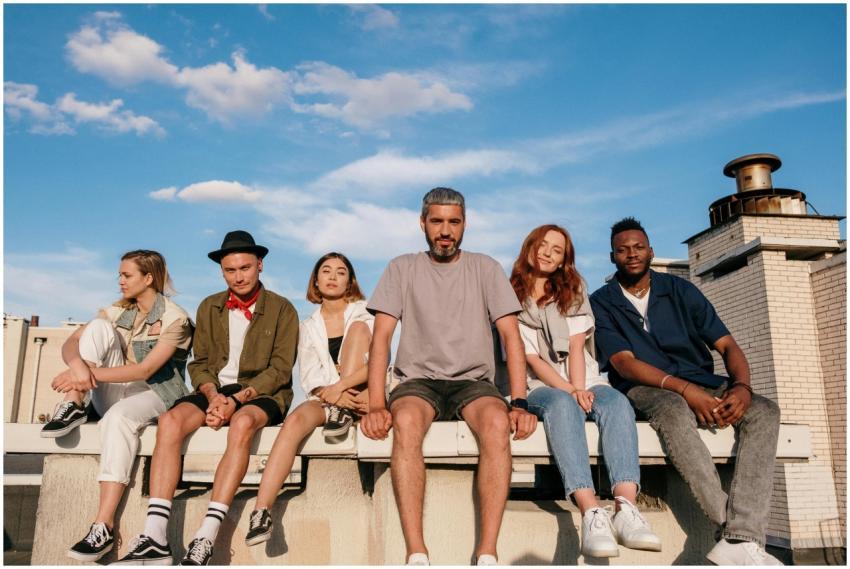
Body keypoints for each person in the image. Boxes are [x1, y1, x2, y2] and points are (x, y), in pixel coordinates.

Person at [361, 187, 538, 566]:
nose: (445, 230)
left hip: (474, 383)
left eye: (453, 222)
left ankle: (487, 552)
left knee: (495, 421)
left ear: (464, 225)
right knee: (405, 420)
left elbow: (512, 337)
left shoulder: (485, 267)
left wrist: (520, 402)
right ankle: (417, 553)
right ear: (422, 223)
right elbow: (381, 340)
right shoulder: (401, 267)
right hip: (417, 382)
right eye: (437, 221)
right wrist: (376, 404)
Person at [590, 217, 782, 566]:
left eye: (638, 247)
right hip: (642, 388)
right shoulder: (601, 302)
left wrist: (742, 387)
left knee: (765, 411)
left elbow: (727, 346)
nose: (631, 254)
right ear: (612, 257)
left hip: (700, 380)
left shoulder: (681, 290)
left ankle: (740, 538)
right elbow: (623, 363)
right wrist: (686, 391)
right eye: (622, 250)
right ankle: (732, 531)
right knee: (674, 408)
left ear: (650, 251)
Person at [113, 230, 298, 566]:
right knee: (169, 421)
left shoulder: (283, 309)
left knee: (241, 424)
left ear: (259, 265)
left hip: (264, 393)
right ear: (222, 271)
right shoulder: (209, 306)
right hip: (216, 391)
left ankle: (206, 536)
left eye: (245, 268)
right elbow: (199, 364)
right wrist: (213, 395)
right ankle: (155, 536)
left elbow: (281, 370)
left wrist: (237, 401)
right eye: (231, 270)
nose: (238, 276)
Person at [509, 224, 661, 558]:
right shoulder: (511, 296)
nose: (548, 253)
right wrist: (568, 391)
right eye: (543, 245)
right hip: (539, 385)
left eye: (558, 250)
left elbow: (577, 347)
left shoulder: (573, 288)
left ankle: (625, 508)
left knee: (617, 404)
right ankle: (591, 511)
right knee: (562, 406)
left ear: (565, 260)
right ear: (530, 247)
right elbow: (532, 359)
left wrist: (579, 388)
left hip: (586, 377)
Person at [40, 250, 192, 562]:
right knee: (97, 327)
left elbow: (145, 371)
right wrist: (79, 370)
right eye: (120, 274)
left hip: (155, 392)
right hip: (108, 387)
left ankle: (103, 526)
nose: (119, 281)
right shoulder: (118, 310)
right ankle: (73, 405)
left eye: (127, 275)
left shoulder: (175, 318)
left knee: (118, 419)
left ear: (148, 278)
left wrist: (86, 373)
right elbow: (72, 342)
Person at [244, 251, 373, 546]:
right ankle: (262, 511)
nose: (332, 277)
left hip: (362, 395)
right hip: (329, 402)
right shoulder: (308, 326)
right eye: (326, 271)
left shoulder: (365, 312)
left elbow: (377, 362)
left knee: (357, 331)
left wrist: (341, 386)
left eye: (341, 272)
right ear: (315, 280)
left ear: (350, 281)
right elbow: (310, 377)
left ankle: (341, 414)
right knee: (295, 421)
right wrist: (334, 395)